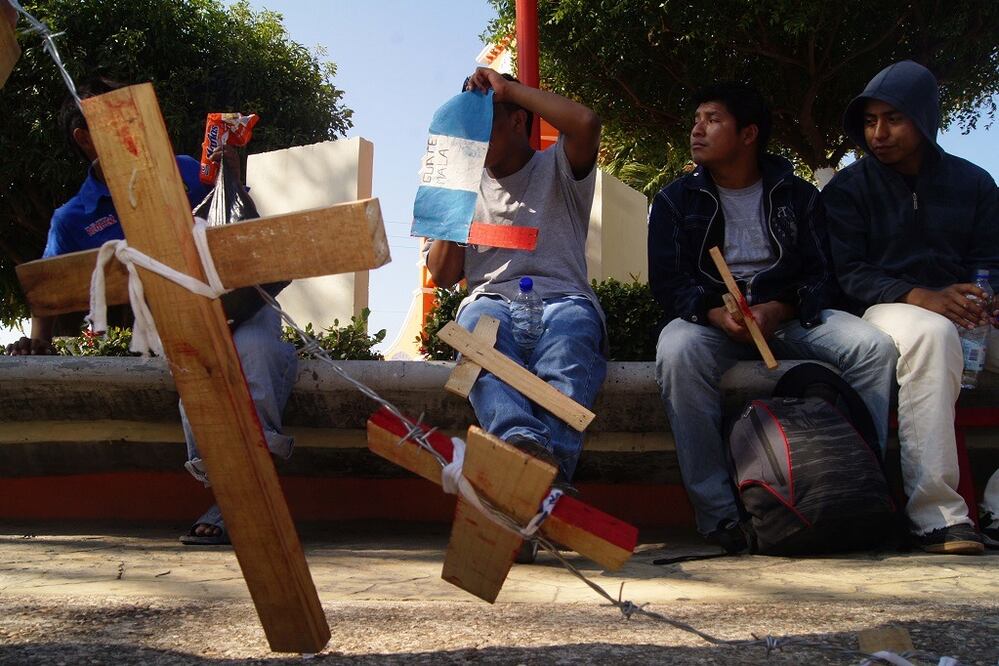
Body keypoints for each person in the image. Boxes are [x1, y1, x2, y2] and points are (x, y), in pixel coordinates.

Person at [8, 79, 297, 545]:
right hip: (179, 322)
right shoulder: (74, 217)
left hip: (245, 306)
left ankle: (239, 502)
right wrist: (38, 339)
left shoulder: (182, 170)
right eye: (117, 116)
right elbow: (50, 288)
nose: (134, 123)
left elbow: (245, 227)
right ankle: (240, 499)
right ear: (84, 138)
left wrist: (230, 169)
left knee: (259, 354)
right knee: (199, 377)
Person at [649, 82, 897, 553]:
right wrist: (715, 311)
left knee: (873, 348)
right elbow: (668, 284)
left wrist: (779, 308)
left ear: (748, 134)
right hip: (714, 320)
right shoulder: (675, 201)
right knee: (677, 352)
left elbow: (823, 275)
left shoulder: (798, 196)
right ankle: (718, 516)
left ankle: (861, 494)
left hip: (786, 315)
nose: (697, 129)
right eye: (696, 119)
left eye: (712, 119)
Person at [824, 60, 999, 553]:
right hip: (885, 309)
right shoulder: (849, 189)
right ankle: (937, 517)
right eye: (869, 121)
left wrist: (985, 295)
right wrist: (921, 296)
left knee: (947, 328)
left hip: (964, 311)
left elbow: (991, 258)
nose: (878, 134)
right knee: (931, 334)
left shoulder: (974, 183)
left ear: (924, 119)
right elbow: (848, 273)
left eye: (894, 119)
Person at [425, 68, 607, 491]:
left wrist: (509, 90)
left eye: (484, 123)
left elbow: (586, 123)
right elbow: (443, 274)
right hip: (490, 302)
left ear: (518, 119)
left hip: (563, 300)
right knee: (476, 334)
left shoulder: (559, 166)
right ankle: (524, 449)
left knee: (567, 343)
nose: (474, 137)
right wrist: (456, 197)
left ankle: (531, 480)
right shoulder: (459, 188)